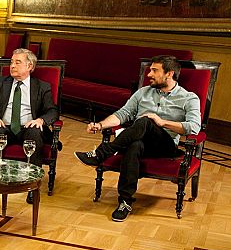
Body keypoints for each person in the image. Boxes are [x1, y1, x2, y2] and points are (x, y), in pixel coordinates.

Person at [75, 55, 201, 222]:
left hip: (166, 145)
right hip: (139, 140)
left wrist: (162, 122)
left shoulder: (189, 98)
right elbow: (123, 114)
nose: (149, 74)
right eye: (150, 70)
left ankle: (101, 153)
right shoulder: (143, 92)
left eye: (154, 70)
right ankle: (125, 202)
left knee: (147, 120)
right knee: (135, 145)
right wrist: (100, 125)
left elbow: (194, 127)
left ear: (169, 74)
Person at [0, 48, 59, 203]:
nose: (12, 66)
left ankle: (32, 186)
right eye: (11, 62)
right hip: (4, 126)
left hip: (27, 127)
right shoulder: (0, 82)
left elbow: (53, 111)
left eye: (17, 62)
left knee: (35, 132)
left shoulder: (42, 87)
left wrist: (40, 120)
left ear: (29, 66)